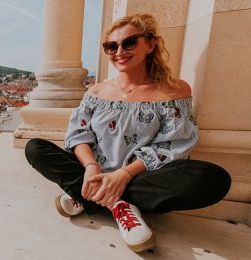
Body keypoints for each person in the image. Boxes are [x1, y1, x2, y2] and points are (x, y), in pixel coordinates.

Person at [24, 13, 231, 253]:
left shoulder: (173, 90)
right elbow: (79, 135)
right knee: (35, 148)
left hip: (139, 177)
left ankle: (87, 196)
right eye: (111, 46)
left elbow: (174, 144)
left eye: (129, 42)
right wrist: (91, 166)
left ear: (150, 44)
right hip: (93, 171)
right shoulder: (97, 90)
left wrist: (123, 174)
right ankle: (119, 205)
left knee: (213, 178)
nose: (119, 51)